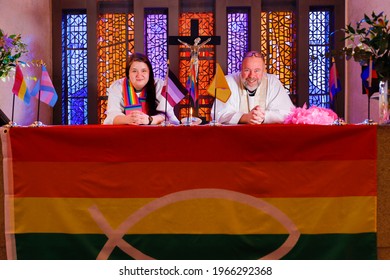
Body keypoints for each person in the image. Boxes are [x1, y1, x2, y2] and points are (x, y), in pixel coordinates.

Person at [212, 51, 295, 124]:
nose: (251, 76)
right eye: (247, 70)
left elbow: (288, 113)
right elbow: (218, 114)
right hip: (234, 137)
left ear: (264, 70)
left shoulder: (273, 82)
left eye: (257, 70)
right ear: (241, 69)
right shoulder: (228, 81)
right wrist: (244, 117)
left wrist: (263, 116)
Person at [103, 53, 179, 125]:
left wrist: (149, 119)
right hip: (126, 132)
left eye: (144, 71)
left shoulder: (159, 85)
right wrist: (129, 119)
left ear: (150, 73)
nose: (139, 75)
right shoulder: (117, 86)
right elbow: (112, 115)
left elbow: (166, 114)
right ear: (128, 74)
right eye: (134, 71)